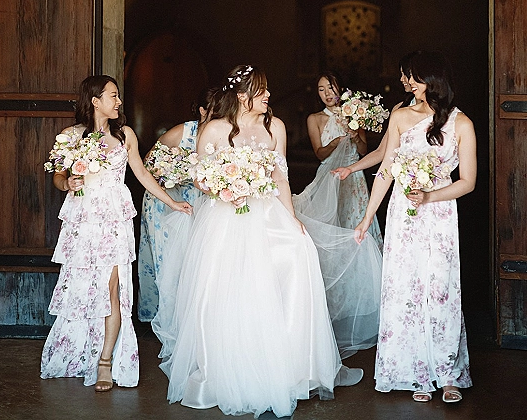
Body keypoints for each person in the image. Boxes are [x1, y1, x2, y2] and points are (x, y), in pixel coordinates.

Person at [153, 65, 364, 419]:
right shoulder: (215, 130)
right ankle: (234, 368)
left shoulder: (275, 127)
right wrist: (225, 188)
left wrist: (293, 218)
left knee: (297, 258)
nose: (269, 96)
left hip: (268, 214)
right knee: (233, 288)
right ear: (241, 96)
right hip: (226, 218)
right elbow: (201, 177)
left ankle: (293, 367)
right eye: (262, 91)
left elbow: (280, 176)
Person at [40, 75, 192, 391]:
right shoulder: (71, 137)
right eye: (113, 96)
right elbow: (58, 177)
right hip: (83, 220)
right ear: (95, 101)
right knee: (84, 287)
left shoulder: (125, 137)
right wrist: (67, 183)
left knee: (112, 288)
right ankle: (81, 352)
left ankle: (106, 362)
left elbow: (141, 174)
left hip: (114, 219)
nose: (119, 101)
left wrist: (172, 202)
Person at [355, 52, 475, 403]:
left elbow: (468, 181)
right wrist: (366, 218)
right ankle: (416, 373)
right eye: (405, 76)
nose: (405, 83)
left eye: (411, 77)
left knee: (440, 290)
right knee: (405, 290)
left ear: (433, 81)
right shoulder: (399, 116)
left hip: (438, 213)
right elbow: (386, 170)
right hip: (403, 214)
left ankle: (449, 374)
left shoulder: (460, 123)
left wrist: (431, 194)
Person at [138, 87, 216, 321]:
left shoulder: (222, 135)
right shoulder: (183, 132)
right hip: (164, 202)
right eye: (215, 111)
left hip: (197, 203)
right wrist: (175, 172)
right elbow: (148, 165)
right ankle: (164, 317)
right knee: (166, 259)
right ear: (202, 111)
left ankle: (189, 319)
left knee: (193, 258)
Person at [299, 71, 383, 250]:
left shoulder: (354, 112)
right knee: (331, 224)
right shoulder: (315, 119)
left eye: (330, 87)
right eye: (321, 90)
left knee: (355, 222)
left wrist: (355, 137)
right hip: (329, 177)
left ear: (341, 89)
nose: (327, 93)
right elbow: (320, 154)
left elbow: (363, 151)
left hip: (354, 178)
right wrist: (334, 143)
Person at [333, 53, 416, 183]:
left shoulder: (442, 113)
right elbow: (381, 151)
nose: (401, 79)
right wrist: (350, 169)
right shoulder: (399, 109)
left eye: (405, 74)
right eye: (401, 74)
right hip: (404, 182)